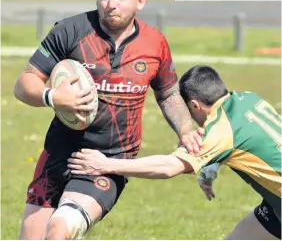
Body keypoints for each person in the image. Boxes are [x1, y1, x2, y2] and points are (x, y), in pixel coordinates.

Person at [13, 0, 202, 240]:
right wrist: (53, 96)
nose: (110, 3)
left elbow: (168, 93)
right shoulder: (70, 31)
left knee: (59, 229)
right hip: (58, 154)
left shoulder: (154, 43)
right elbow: (24, 83)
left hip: (109, 161)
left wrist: (185, 129)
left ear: (140, 0)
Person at [68, 65, 282, 240]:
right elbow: (244, 141)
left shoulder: (220, 130)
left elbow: (169, 167)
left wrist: (106, 164)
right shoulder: (249, 99)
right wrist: (209, 168)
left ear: (195, 105)